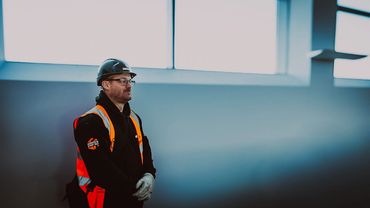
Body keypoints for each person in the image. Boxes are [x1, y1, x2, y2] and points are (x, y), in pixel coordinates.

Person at [67, 58, 156, 208]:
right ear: (106, 84)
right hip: (102, 201)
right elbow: (101, 170)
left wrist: (149, 175)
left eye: (130, 81)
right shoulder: (91, 122)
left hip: (132, 200)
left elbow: (144, 151)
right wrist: (135, 189)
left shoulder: (134, 118)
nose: (129, 86)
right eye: (123, 81)